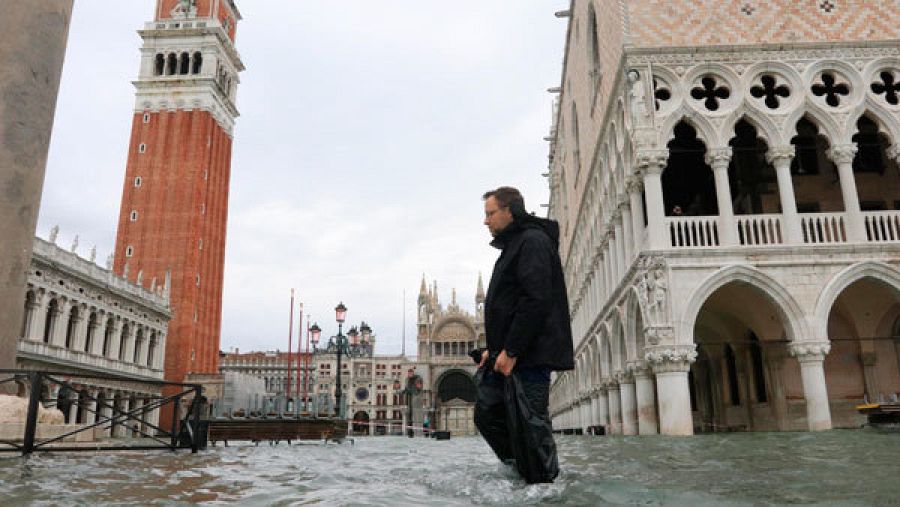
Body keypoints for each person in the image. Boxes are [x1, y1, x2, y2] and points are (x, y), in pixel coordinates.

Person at [473, 186, 574, 483]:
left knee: (532, 424)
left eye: (490, 213)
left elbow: (535, 299)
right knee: (488, 413)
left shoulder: (532, 241)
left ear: (509, 211)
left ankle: (544, 484)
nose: (485, 221)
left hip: (528, 356)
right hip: (511, 353)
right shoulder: (516, 244)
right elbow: (511, 303)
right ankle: (522, 469)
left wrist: (512, 350)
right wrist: (496, 349)